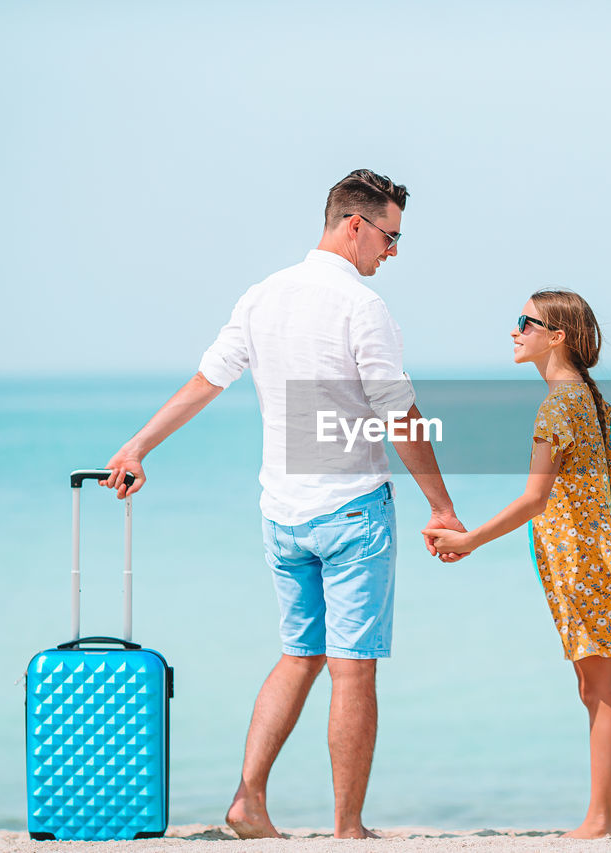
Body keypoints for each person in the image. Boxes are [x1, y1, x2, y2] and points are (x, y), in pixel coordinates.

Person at [99, 169, 465, 839]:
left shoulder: (263, 295)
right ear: (353, 224)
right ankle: (348, 828)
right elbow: (400, 414)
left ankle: (249, 800)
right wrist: (441, 506)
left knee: (300, 655)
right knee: (352, 670)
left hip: (282, 514)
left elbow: (208, 380)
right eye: (389, 236)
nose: (391, 252)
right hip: (352, 509)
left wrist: (138, 445)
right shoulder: (362, 307)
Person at [423, 289, 611, 838]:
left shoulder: (558, 405)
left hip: (577, 561)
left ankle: (601, 819)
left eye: (523, 322)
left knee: (597, 688)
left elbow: (535, 499)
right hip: (605, 551)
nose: (514, 331)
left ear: (555, 337)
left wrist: (472, 540)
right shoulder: (589, 396)